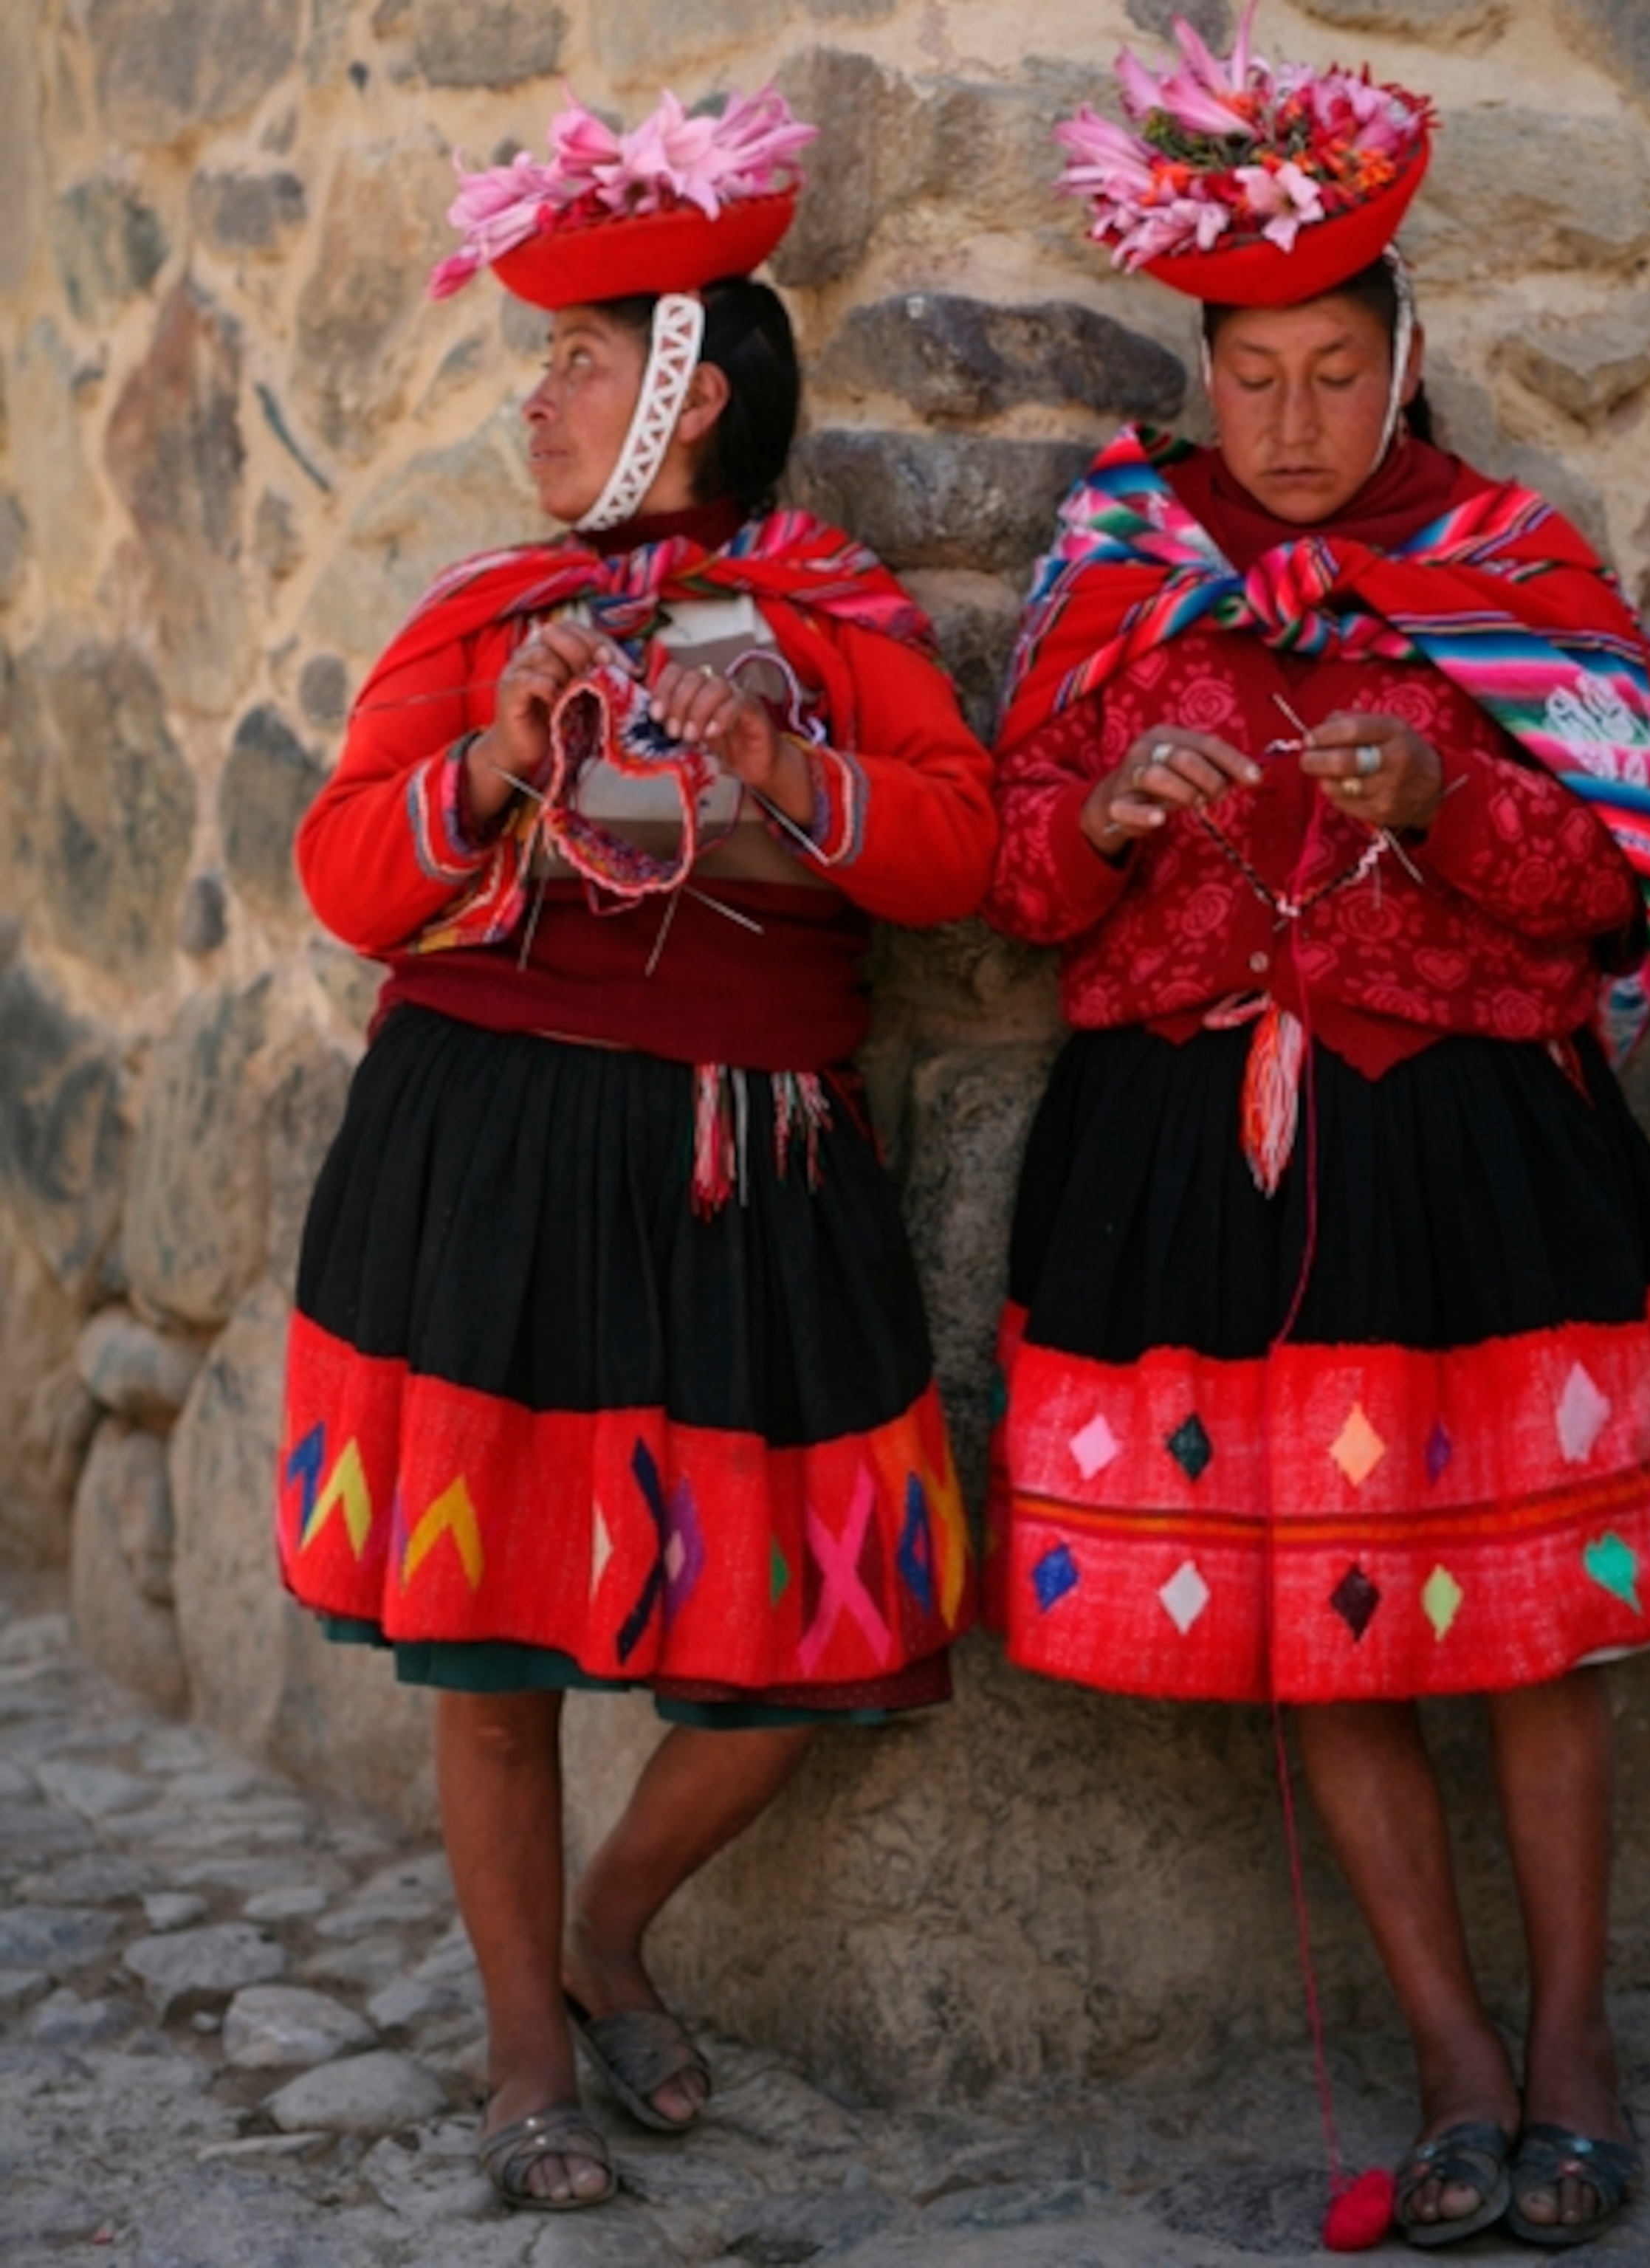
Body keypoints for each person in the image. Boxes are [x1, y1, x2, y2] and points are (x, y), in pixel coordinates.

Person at [984, 7, 1650, 2250]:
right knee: (1334, 1625)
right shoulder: (1119, 570)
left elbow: (1616, 881)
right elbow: (1016, 881)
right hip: (1206, 1159)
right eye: (1251, 378)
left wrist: (1455, 793)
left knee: (1527, 1627)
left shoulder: (1514, 566)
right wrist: (1104, 807)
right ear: (1206, 373)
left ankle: (1574, 2039)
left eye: (1331, 376)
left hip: (1467, 1163)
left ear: (1400, 368)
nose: (1287, 426)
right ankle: (1454, 2060)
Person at [277, 85, 993, 2214]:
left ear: (686, 394)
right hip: (488, 1143)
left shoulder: (844, 623)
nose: (539, 396)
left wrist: (780, 749)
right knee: (488, 1642)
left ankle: (609, 1929)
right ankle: (524, 2055)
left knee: (815, 1641)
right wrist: (500, 760)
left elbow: (955, 859)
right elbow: (341, 875)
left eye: (582, 361)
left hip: (749, 1164)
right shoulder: (482, 614)